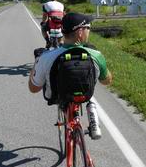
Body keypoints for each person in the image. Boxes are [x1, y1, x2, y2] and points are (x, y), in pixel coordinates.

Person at [29, 12, 113, 140]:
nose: (89, 31)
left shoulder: (46, 57)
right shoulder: (96, 55)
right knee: (88, 99)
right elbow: (107, 81)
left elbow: (33, 88)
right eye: (88, 28)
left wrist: (36, 63)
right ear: (80, 32)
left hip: (57, 95)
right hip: (85, 95)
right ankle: (93, 120)